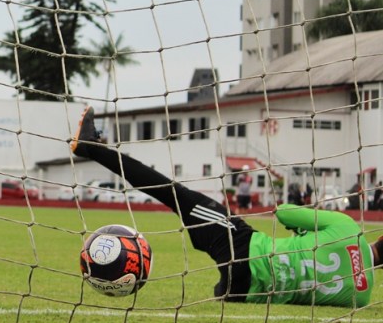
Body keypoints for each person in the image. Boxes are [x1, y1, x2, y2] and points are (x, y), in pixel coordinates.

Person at [72, 106, 381, 307]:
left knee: (175, 194)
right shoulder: (362, 296)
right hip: (246, 293)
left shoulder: (348, 228)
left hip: (245, 249)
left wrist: (302, 230)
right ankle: (224, 290)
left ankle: (92, 148)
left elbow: (285, 212)